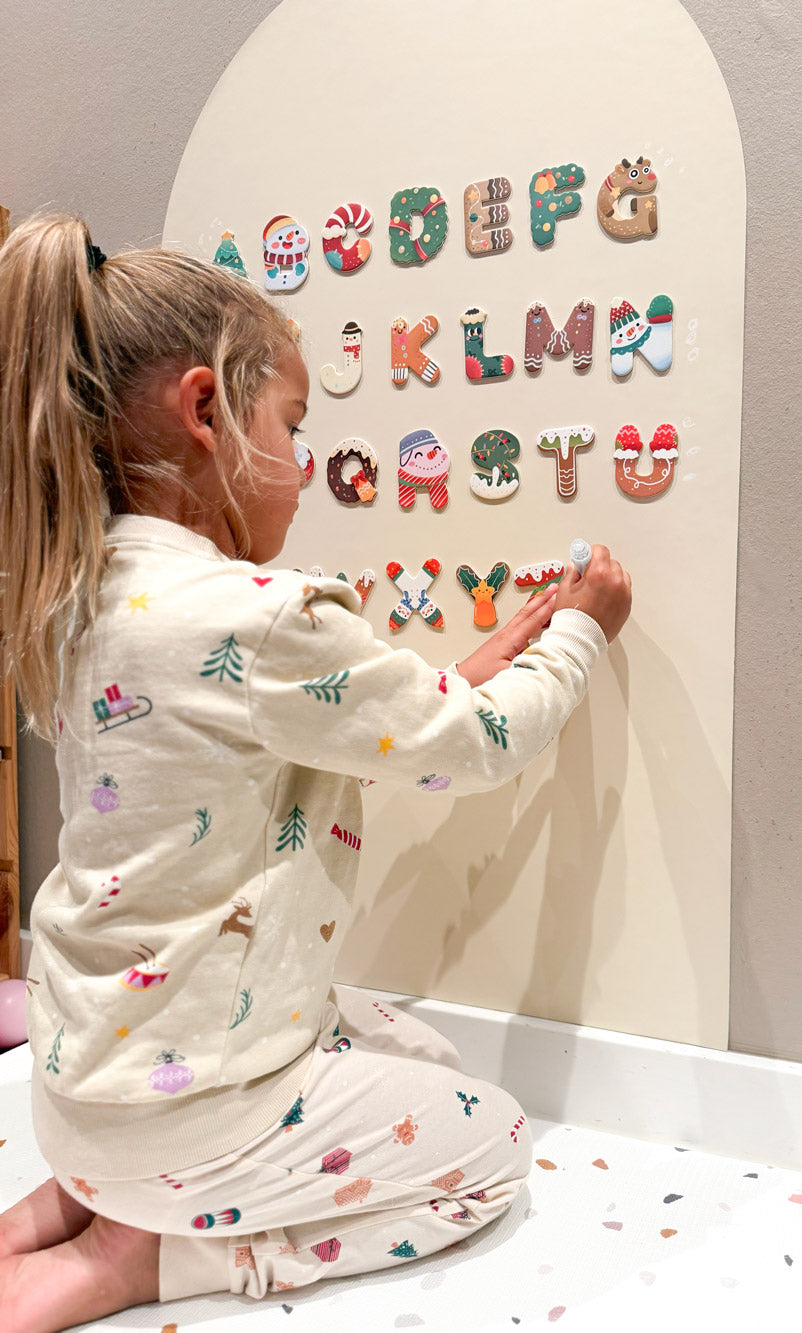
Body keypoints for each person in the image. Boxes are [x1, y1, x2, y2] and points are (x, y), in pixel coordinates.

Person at [0, 213, 631, 1331]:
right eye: (294, 424)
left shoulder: (74, 603)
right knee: (489, 1144)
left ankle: (96, 1196)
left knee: (416, 1049)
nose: (304, 465)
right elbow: (477, 747)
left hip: (83, 1089)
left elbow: (267, 754)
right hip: (190, 1117)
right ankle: (147, 1260)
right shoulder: (258, 619)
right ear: (206, 412)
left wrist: (466, 670)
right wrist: (581, 629)